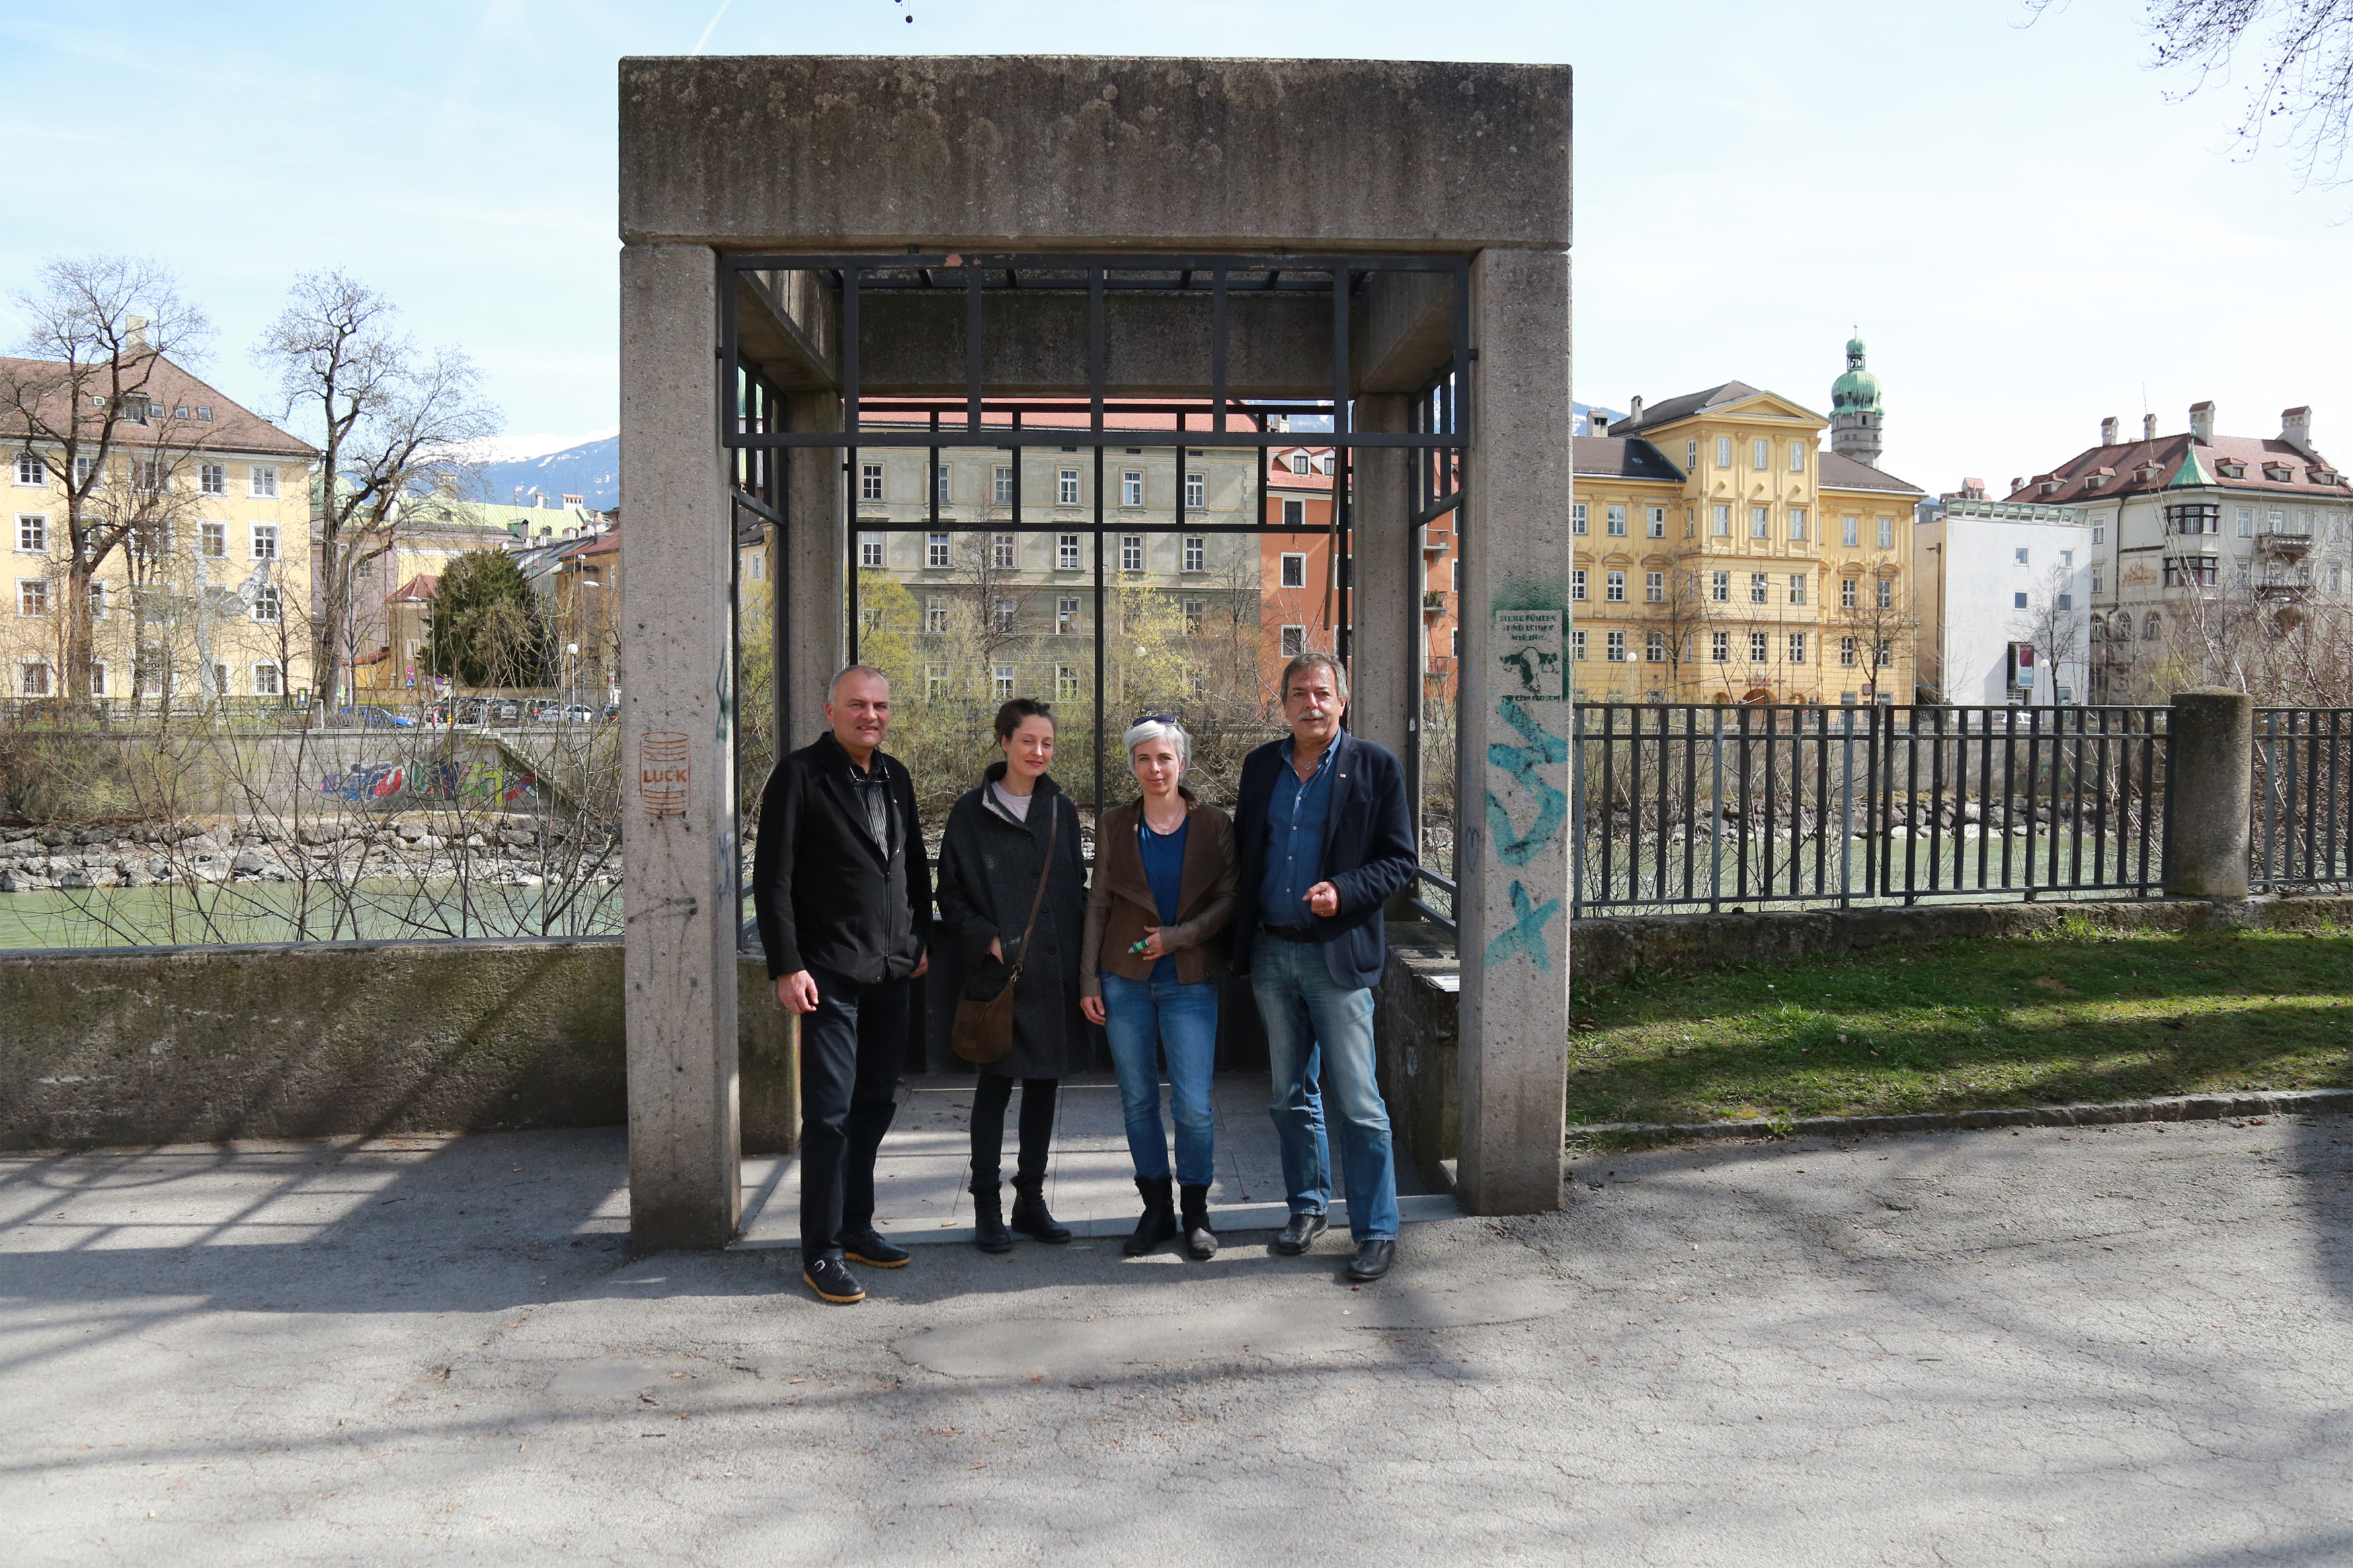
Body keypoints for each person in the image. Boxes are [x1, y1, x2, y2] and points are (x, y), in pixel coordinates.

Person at [1230, 651, 1418, 1282]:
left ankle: (1375, 1229)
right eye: (1299, 694)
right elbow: (1243, 856)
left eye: (1322, 692)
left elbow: (1399, 862)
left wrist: (1344, 890)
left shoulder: (1375, 767)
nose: (1312, 703)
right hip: (1271, 952)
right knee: (1288, 1093)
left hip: (1336, 957)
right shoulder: (1261, 767)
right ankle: (1308, 1206)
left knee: (1360, 1101)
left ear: (1343, 700)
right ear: (1281, 704)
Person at [753, 665, 931, 1306]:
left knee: (874, 1108)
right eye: (858, 704)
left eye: (881, 705)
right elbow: (772, 880)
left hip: (891, 972)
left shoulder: (897, 777)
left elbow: (911, 866)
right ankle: (822, 1250)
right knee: (828, 1118)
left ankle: (857, 1227)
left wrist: (919, 941)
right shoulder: (800, 776)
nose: (871, 715)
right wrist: (786, 965)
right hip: (825, 975)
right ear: (830, 710)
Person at [934, 698, 1090, 1253]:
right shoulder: (969, 812)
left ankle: (1031, 1200)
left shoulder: (1061, 809)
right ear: (1004, 741)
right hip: (999, 977)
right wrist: (990, 940)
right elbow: (949, 896)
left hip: (1052, 974)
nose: (1039, 752)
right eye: (1028, 741)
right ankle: (986, 1204)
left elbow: (1075, 892)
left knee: (1046, 1088)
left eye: (1048, 743)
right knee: (994, 1089)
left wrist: (1085, 971)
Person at [1081, 714, 1238, 1260]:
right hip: (1123, 982)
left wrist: (1181, 936)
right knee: (1138, 1099)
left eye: (1164, 757)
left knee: (1193, 1104)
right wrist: (1088, 979)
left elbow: (1230, 898)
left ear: (1183, 762)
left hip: (1189, 981)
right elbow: (1098, 902)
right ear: (1132, 765)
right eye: (1143, 758)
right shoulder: (1114, 825)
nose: (1154, 767)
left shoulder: (1216, 824)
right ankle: (1156, 1209)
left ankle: (1196, 1210)